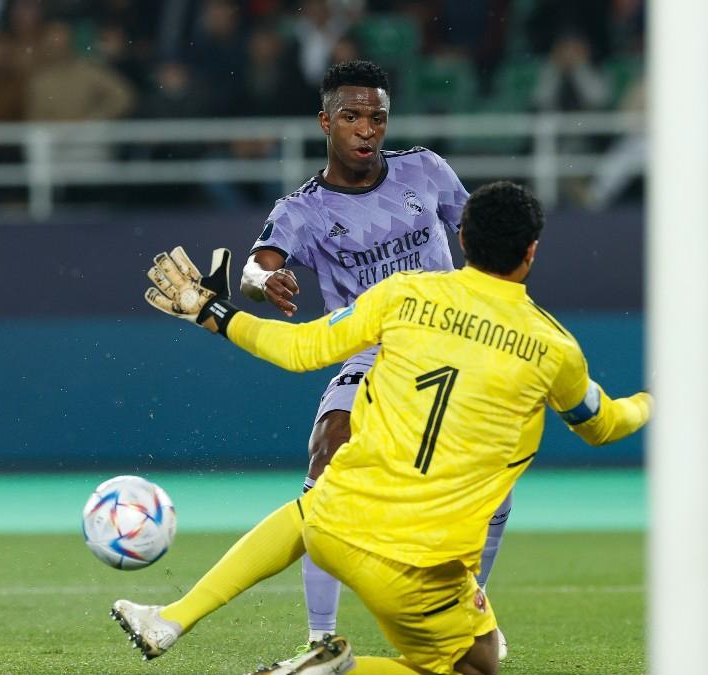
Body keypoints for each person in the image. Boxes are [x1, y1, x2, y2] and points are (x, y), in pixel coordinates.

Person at [114, 181, 653, 674]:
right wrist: (656, 402)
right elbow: (603, 425)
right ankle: (335, 673)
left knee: (310, 509)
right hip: (416, 565)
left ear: (461, 237)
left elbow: (301, 349)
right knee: (474, 668)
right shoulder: (553, 349)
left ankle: (174, 617)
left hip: (334, 525)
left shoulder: (405, 294)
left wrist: (216, 312)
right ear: (532, 251)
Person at [237, 58, 513, 650]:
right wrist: (268, 284)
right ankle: (320, 642)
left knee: (490, 491)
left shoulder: (426, 171)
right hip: (369, 354)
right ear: (325, 122)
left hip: (450, 348)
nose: (367, 129)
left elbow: (481, 238)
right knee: (327, 457)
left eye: (378, 118)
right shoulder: (302, 210)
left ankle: (465, 618)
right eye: (353, 117)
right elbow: (254, 271)